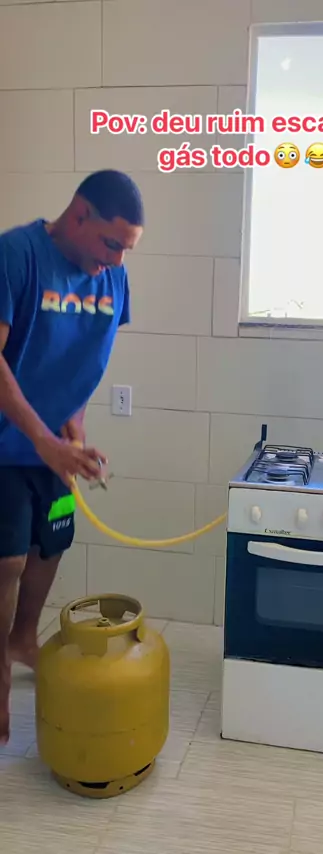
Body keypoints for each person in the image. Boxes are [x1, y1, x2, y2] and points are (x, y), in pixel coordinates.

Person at [0, 169, 144, 744]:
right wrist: (43, 440)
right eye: (111, 243)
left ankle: (23, 639)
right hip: (8, 445)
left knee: (52, 542)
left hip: (57, 450)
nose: (116, 260)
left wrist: (75, 429)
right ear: (79, 214)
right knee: (7, 561)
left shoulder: (113, 277)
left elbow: (87, 356)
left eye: (127, 249)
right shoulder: (16, 255)